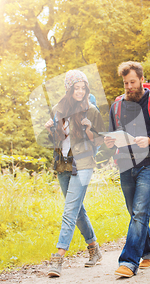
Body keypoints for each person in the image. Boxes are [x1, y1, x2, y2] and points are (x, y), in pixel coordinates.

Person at [101, 61, 150, 278]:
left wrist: (149, 139)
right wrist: (110, 143)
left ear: (141, 79)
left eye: (132, 82)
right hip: (125, 164)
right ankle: (149, 252)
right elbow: (111, 135)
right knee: (134, 212)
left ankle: (129, 261)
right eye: (125, 83)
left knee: (140, 211)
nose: (128, 86)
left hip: (147, 164)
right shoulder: (117, 105)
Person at [44, 70, 105, 277]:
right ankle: (94, 248)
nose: (80, 91)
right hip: (63, 164)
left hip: (83, 165)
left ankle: (58, 258)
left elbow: (98, 141)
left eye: (83, 88)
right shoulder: (58, 109)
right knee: (77, 210)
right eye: (76, 88)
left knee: (69, 211)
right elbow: (57, 141)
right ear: (69, 89)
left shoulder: (91, 109)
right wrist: (51, 129)